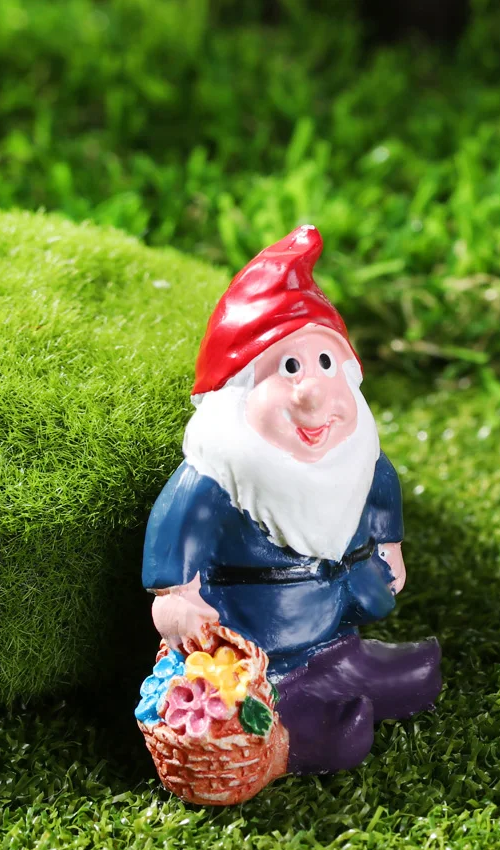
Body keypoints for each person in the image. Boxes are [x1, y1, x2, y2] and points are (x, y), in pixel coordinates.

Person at [142, 225, 441, 775]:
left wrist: (390, 549)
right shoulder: (215, 479)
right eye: (288, 368)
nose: (313, 395)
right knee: (319, 725)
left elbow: (382, 498)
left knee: (415, 676)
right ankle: (296, 728)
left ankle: (345, 668)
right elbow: (174, 540)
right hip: (261, 649)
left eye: (325, 363)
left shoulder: (358, 457)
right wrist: (176, 598)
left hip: (340, 620)